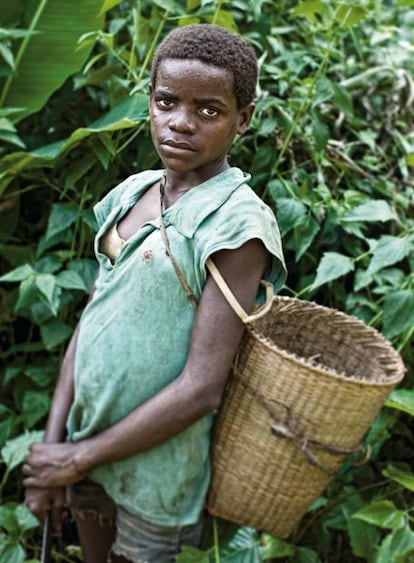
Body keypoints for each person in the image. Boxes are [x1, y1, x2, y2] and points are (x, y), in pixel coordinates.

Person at [23, 23, 286, 563]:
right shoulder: (131, 193)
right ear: (150, 101)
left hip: (158, 472)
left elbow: (201, 387)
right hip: (86, 444)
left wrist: (74, 459)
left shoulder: (236, 223)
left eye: (209, 111)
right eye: (167, 102)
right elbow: (91, 323)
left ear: (244, 118)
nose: (181, 123)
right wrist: (55, 449)